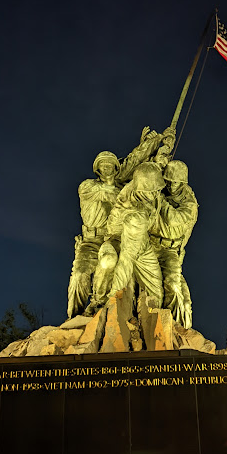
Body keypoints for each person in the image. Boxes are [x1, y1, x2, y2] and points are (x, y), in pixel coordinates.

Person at [66, 127, 172, 318]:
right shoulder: (88, 187)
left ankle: (116, 310)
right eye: (103, 166)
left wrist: (155, 143)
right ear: (97, 169)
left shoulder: (126, 187)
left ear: (117, 168)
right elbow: (120, 189)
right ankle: (77, 317)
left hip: (118, 237)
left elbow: (134, 161)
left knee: (121, 270)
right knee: (80, 275)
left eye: (111, 165)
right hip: (92, 240)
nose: (107, 168)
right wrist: (132, 189)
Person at [105, 162, 166, 307]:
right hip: (126, 240)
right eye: (151, 191)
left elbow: (150, 172)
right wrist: (114, 297)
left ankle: (154, 323)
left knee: (157, 291)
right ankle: (109, 304)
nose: (155, 194)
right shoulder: (133, 214)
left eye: (156, 190)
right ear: (140, 189)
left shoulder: (142, 182)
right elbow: (126, 260)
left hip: (142, 242)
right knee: (123, 274)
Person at [149, 160, 198, 327]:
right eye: (168, 181)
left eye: (175, 181)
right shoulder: (160, 189)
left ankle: (173, 326)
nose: (170, 185)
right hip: (150, 244)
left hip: (169, 249)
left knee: (172, 283)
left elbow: (174, 218)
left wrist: (160, 200)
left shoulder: (189, 203)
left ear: (183, 182)